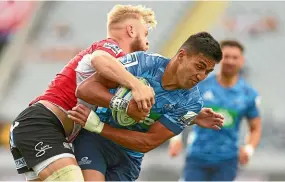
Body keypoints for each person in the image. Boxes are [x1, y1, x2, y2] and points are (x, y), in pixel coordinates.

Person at [9, 4, 157, 181]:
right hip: (40, 125)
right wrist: (137, 86)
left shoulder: (120, 66)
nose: (147, 42)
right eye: (145, 33)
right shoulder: (110, 47)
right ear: (131, 30)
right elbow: (99, 59)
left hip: (38, 128)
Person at [67, 32, 224, 181]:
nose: (201, 76)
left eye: (208, 72)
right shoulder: (144, 63)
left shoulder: (192, 103)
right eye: (199, 66)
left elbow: (148, 142)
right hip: (95, 141)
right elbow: (85, 89)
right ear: (182, 56)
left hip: (128, 157)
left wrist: (99, 126)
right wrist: (124, 106)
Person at [168, 40, 262, 181]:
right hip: (197, 156)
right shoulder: (201, 86)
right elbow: (179, 111)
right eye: (226, 56)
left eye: (234, 57)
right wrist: (175, 138)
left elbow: (255, 127)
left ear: (241, 61)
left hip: (227, 160)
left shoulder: (248, 94)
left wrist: (248, 149)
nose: (230, 61)